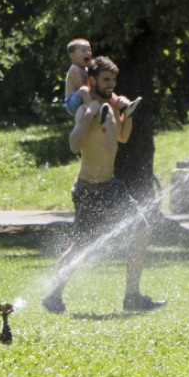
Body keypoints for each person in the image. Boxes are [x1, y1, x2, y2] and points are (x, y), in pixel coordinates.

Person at [43, 56, 165, 313]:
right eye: (106, 79)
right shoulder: (86, 109)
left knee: (142, 229)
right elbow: (74, 145)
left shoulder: (111, 106)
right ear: (94, 79)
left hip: (111, 185)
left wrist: (126, 113)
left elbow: (122, 137)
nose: (111, 84)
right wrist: (89, 117)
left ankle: (132, 296)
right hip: (88, 189)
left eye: (114, 80)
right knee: (83, 244)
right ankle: (53, 296)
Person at [64, 38, 142, 119]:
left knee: (106, 89)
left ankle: (124, 106)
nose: (88, 53)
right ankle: (96, 112)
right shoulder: (75, 69)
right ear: (72, 55)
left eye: (89, 50)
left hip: (86, 96)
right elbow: (86, 87)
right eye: (83, 51)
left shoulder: (86, 69)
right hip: (72, 103)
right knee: (85, 90)